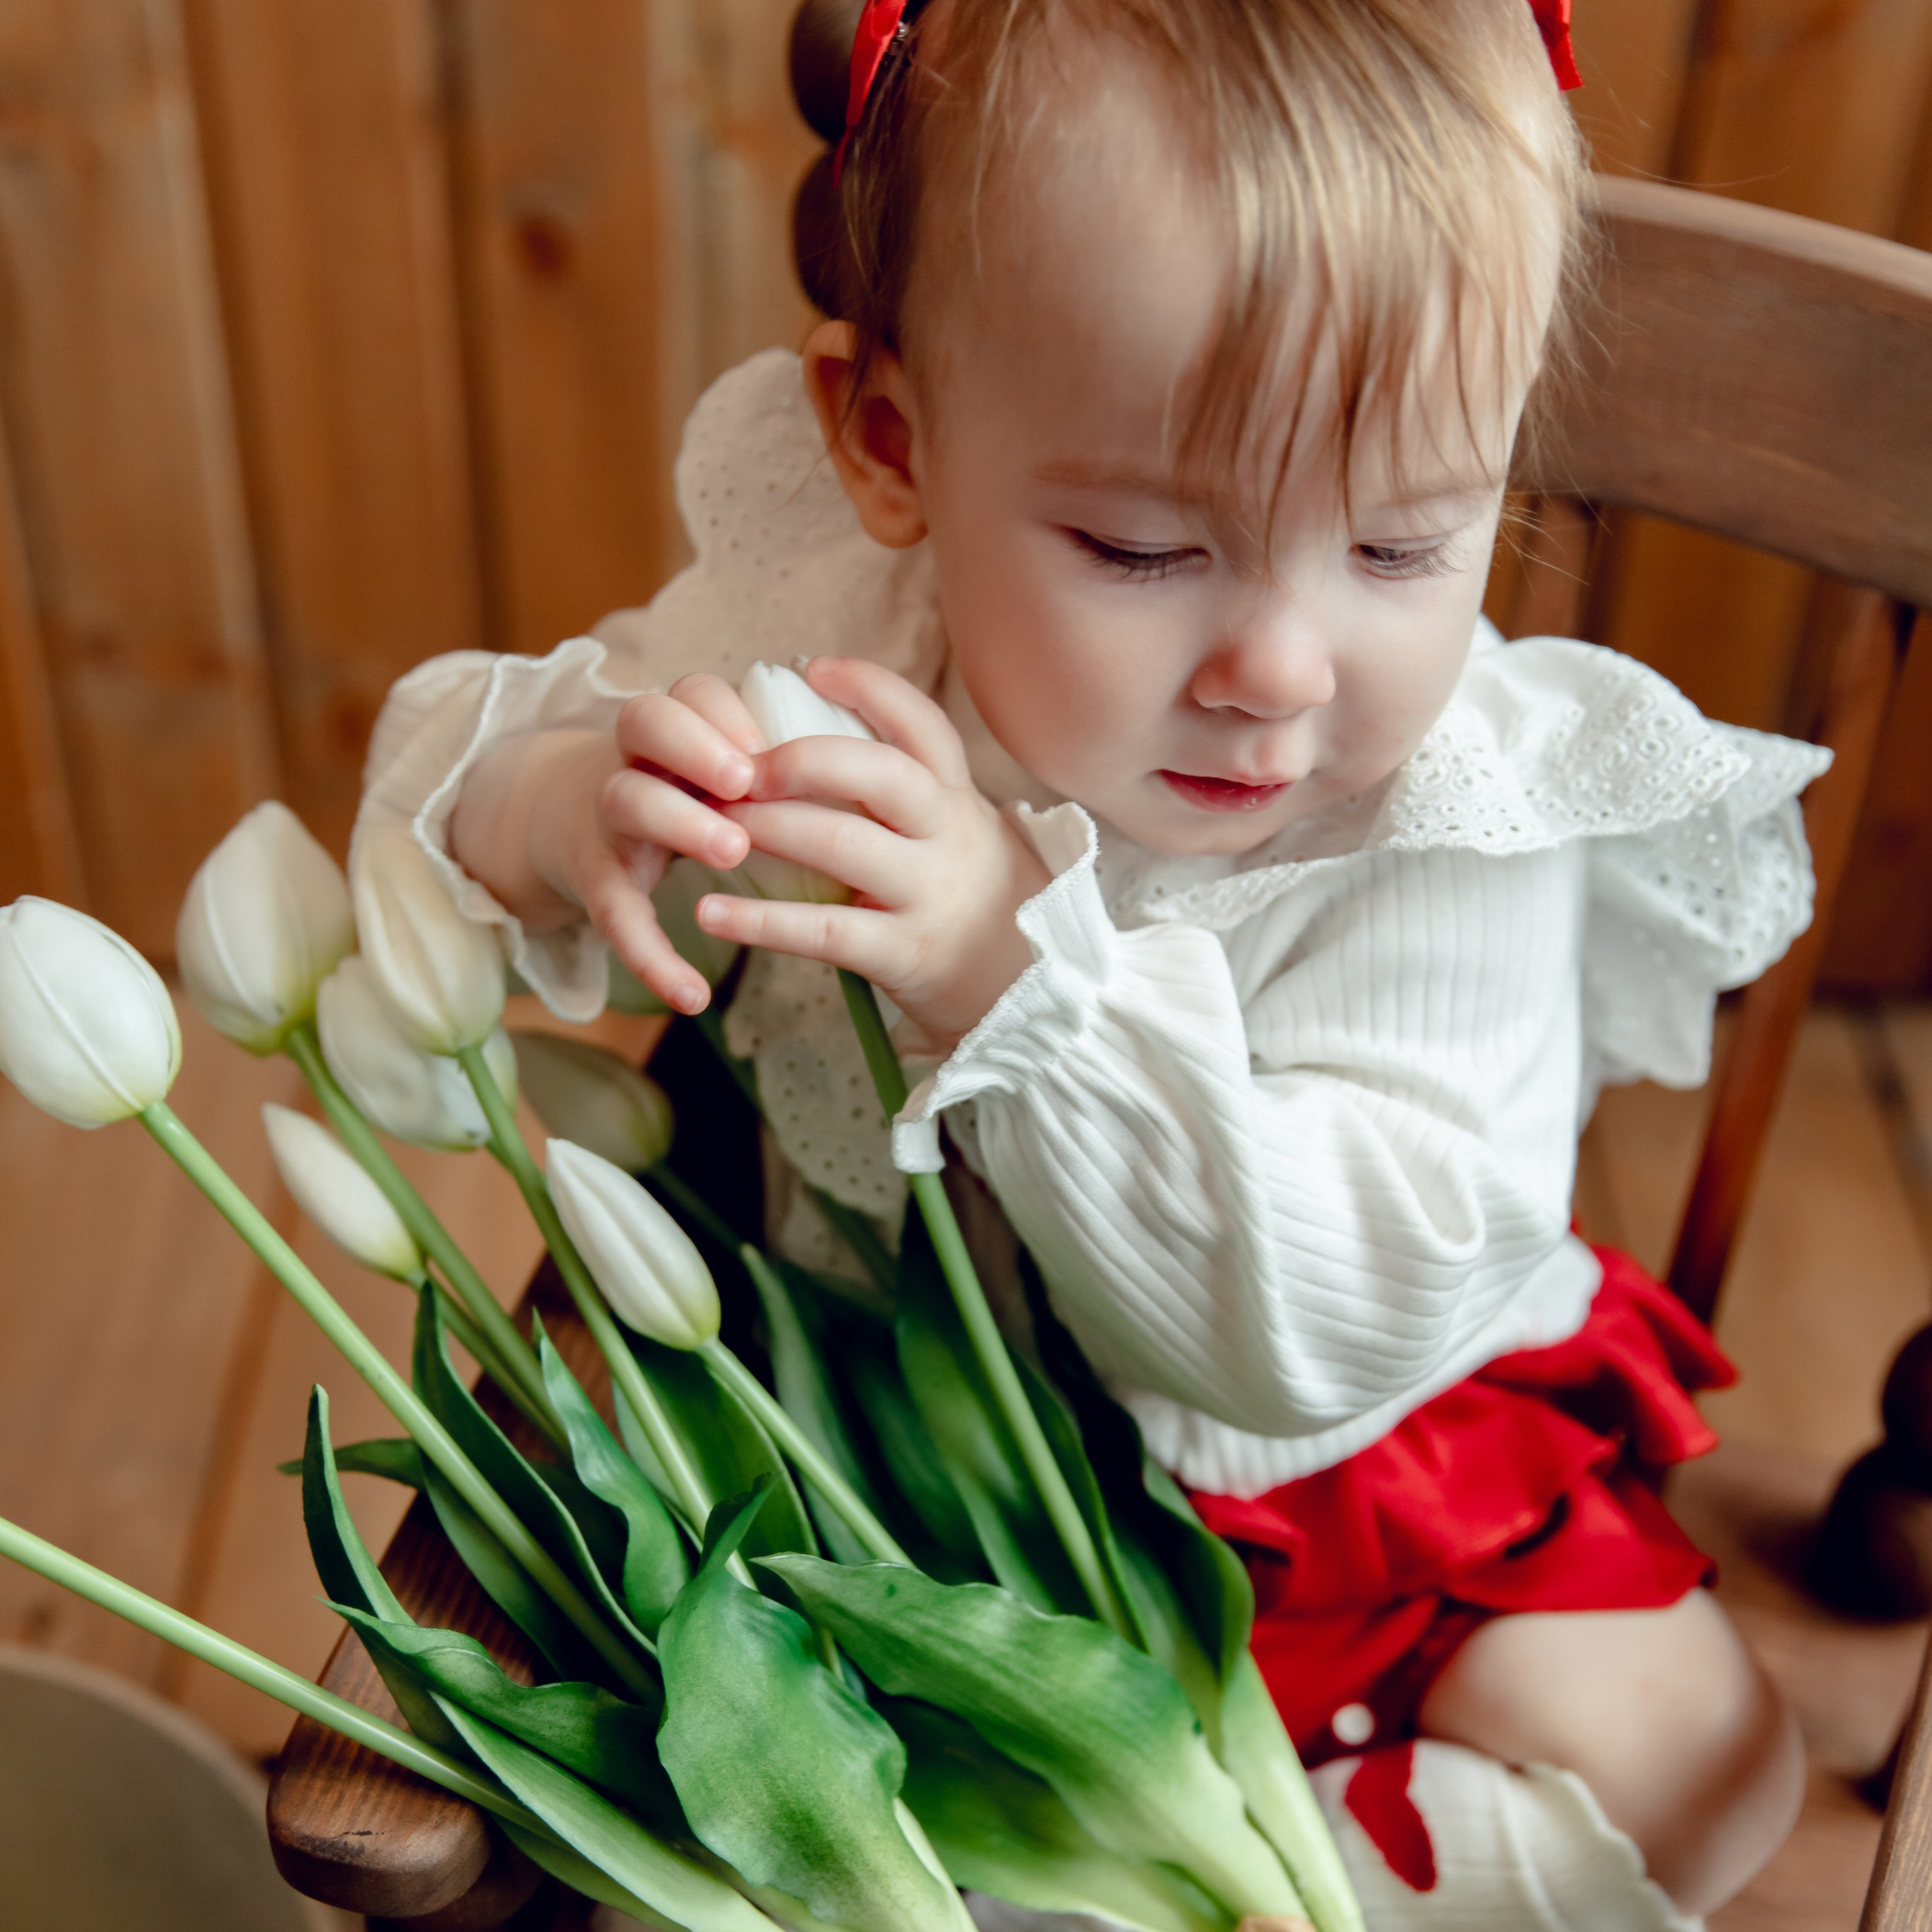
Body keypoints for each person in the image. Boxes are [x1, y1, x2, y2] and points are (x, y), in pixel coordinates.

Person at [358, 1, 1817, 1922]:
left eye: (1402, 544)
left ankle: (1302, 1859)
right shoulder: (836, 641)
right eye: (1141, 547)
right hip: (892, 1474)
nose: (1280, 668)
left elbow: (1303, 1326)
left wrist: (1008, 977)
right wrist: (555, 805)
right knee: (793, 1834)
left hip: (1335, 1471)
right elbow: (424, 802)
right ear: (893, 447)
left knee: (1694, 1763)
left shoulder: (1448, 823)